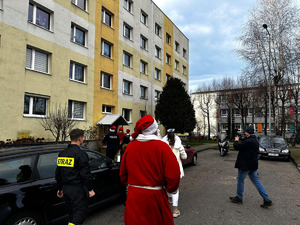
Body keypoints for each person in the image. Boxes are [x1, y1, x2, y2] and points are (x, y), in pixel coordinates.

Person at [120, 115, 181, 225]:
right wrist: (170, 190)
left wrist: (132, 185)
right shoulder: (162, 147)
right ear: (154, 130)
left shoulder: (130, 147)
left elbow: (123, 173)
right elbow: (174, 174)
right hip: (154, 197)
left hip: (134, 196)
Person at [55, 129, 95, 225]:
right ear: (80, 139)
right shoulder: (81, 154)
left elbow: (58, 173)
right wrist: (90, 189)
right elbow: (85, 174)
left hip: (66, 189)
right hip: (76, 189)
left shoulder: (62, 153)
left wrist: (60, 188)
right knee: (80, 212)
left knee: (71, 213)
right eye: (83, 138)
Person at [230, 126, 272, 208]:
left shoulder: (249, 141)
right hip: (252, 165)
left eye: (245, 132)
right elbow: (245, 141)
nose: (244, 133)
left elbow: (237, 147)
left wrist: (236, 140)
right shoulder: (254, 140)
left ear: (248, 133)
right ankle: (266, 199)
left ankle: (239, 198)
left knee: (240, 180)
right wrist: (241, 138)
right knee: (256, 182)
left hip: (245, 165)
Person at [162, 129, 187, 218]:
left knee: (167, 185)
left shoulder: (163, 145)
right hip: (176, 169)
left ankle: (169, 198)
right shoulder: (179, 145)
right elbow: (184, 156)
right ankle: (175, 210)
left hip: (165, 169)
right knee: (175, 189)